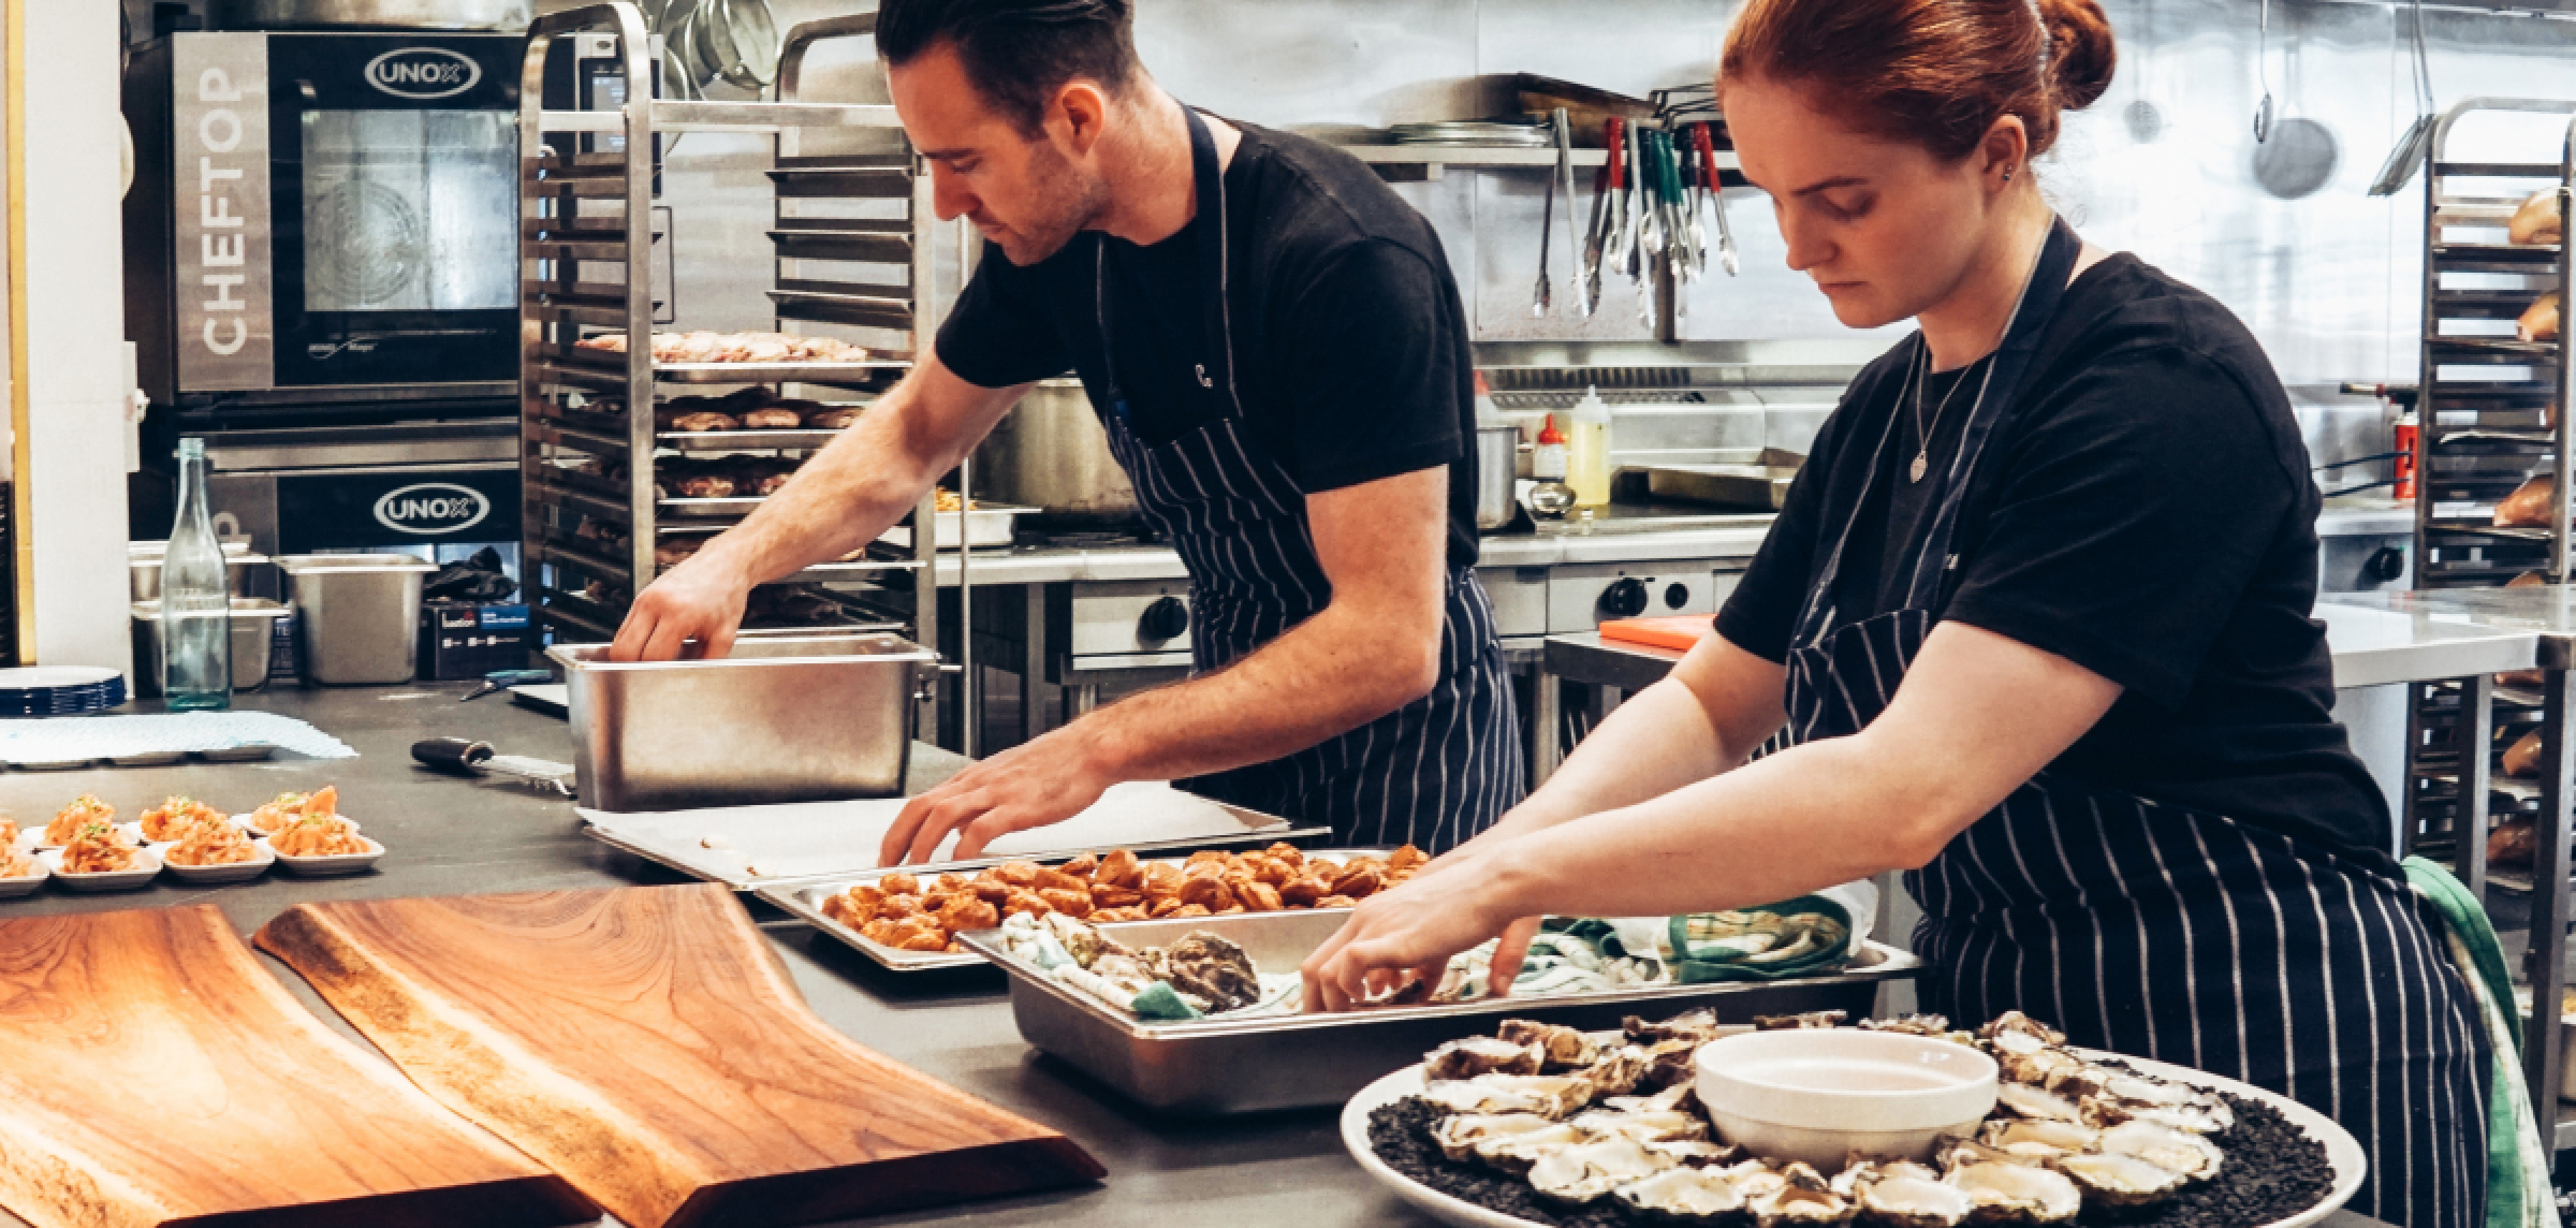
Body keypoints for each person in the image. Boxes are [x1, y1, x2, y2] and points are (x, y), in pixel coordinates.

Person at [1299, 2, 2487, 1224]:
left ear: (2000, 154)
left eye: (1844, 198)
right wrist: (1494, 860)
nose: (1800, 244)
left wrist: (1521, 877)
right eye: (1771, 194)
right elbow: (1716, 700)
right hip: (2017, 1050)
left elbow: (1903, 790)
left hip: (2264, 1015)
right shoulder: (1884, 411)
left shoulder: (2153, 383)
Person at [608, 0, 1521, 862]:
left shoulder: (1341, 260)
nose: (944, 203)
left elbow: (1388, 642)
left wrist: (1097, 744)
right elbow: (915, 435)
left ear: (1077, 119)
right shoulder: (1056, 245)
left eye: (963, 161)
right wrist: (734, 559)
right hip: (1225, 735)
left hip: (1406, 771)